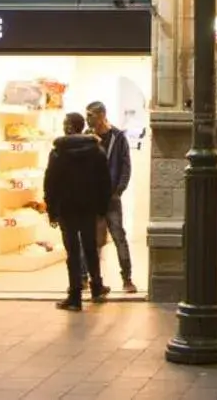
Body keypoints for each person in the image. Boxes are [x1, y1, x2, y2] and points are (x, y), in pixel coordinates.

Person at [44, 111, 112, 310]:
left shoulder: (58, 152)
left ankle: (75, 296)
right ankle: (97, 288)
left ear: (70, 127)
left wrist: (52, 210)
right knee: (91, 248)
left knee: (72, 252)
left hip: (67, 208)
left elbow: (51, 183)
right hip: (89, 207)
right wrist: (102, 207)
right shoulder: (96, 151)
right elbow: (104, 182)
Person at [86, 99, 137, 294]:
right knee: (93, 240)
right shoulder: (87, 137)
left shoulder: (117, 137)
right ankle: (92, 280)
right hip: (92, 197)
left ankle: (127, 278)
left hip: (111, 197)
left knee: (118, 236)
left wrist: (119, 190)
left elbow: (126, 165)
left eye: (91, 115)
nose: (87, 119)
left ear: (101, 115)